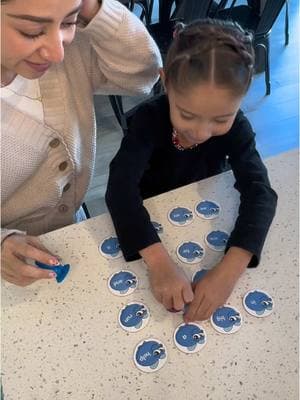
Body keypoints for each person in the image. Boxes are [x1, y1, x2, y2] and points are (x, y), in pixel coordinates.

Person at [105, 18, 278, 322]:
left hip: (201, 204)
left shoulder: (237, 127)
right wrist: (159, 263)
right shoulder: (148, 120)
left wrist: (230, 269)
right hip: (149, 209)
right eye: (186, 115)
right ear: (166, 82)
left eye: (220, 119)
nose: (200, 132)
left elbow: (260, 191)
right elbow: (120, 190)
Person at [1, 0, 162, 286]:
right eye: (31, 31)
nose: (57, 52)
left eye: (69, 22)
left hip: (70, 237)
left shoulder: (72, 51)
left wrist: (92, 7)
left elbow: (143, 74)